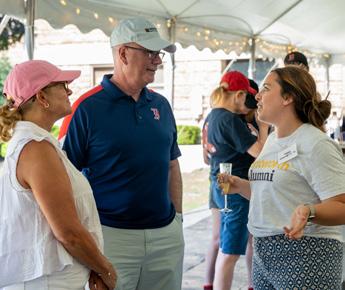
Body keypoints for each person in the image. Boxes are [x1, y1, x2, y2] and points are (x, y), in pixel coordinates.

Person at [58, 17, 184, 290]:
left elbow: (172, 165)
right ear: (123, 53)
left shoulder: (161, 105)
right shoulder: (86, 109)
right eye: (149, 52)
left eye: (158, 53)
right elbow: (64, 179)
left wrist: (179, 219)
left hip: (166, 236)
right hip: (110, 238)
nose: (157, 61)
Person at [219, 66, 345, 289]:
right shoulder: (273, 139)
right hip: (263, 253)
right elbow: (272, 192)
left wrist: (310, 211)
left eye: (266, 88)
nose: (257, 95)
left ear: (288, 97)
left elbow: (342, 205)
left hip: (308, 254)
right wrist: (241, 186)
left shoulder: (316, 144)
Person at [0, 60, 116, 290]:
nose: (69, 90)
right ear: (42, 97)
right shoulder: (35, 148)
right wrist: (105, 269)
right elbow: (68, 232)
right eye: (62, 84)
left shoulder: (36, 144)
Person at [203, 71, 269, 290]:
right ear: (239, 95)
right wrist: (263, 127)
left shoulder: (214, 115)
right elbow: (260, 152)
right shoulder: (230, 119)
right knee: (230, 252)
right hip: (234, 188)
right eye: (246, 98)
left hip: (220, 185)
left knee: (226, 247)